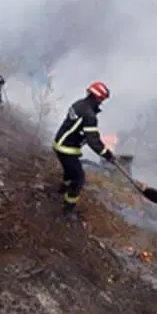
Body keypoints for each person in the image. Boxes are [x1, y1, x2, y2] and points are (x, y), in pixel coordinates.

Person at [52, 81, 115, 220]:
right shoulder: (89, 115)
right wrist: (107, 154)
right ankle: (68, 210)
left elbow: (75, 126)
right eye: (102, 99)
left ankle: (63, 187)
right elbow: (93, 141)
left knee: (70, 171)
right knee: (79, 179)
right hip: (67, 149)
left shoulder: (79, 104)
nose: (102, 102)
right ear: (98, 97)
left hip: (59, 143)